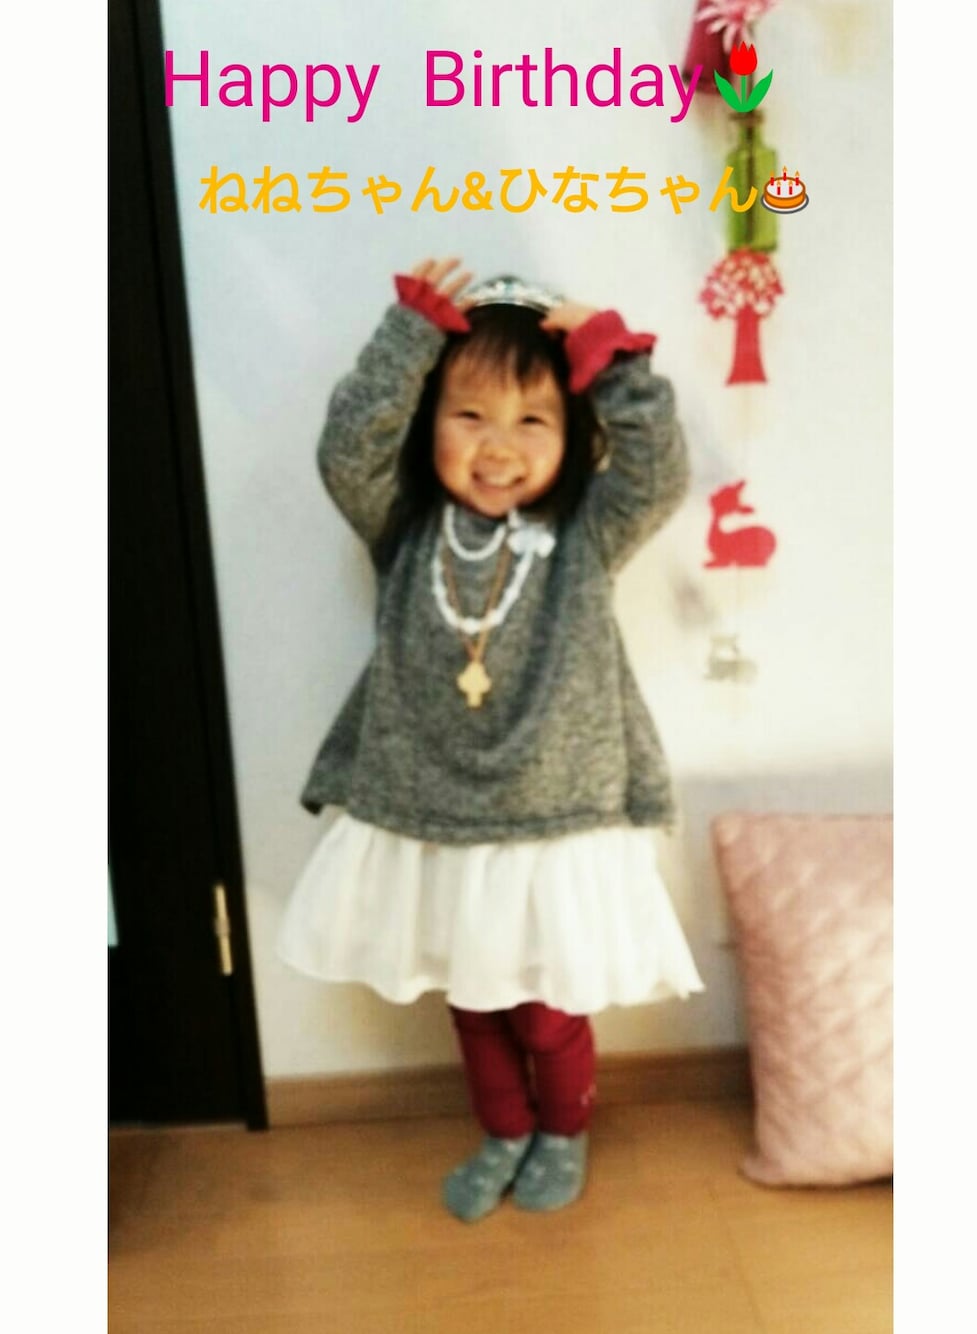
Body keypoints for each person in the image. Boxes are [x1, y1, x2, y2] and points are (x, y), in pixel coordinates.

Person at [277, 256, 704, 1222]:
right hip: (433, 814)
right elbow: (347, 452)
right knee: (471, 1004)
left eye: (531, 421)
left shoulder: (588, 533)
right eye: (469, 415)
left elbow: (658, 472)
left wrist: (613, 359)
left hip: (553, 820)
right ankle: (503, 1130)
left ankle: (563, 1130)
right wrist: (407, 341)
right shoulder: (403, 527)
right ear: (429, 420)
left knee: (547, 1011)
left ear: (571, 433)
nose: (498, 446)